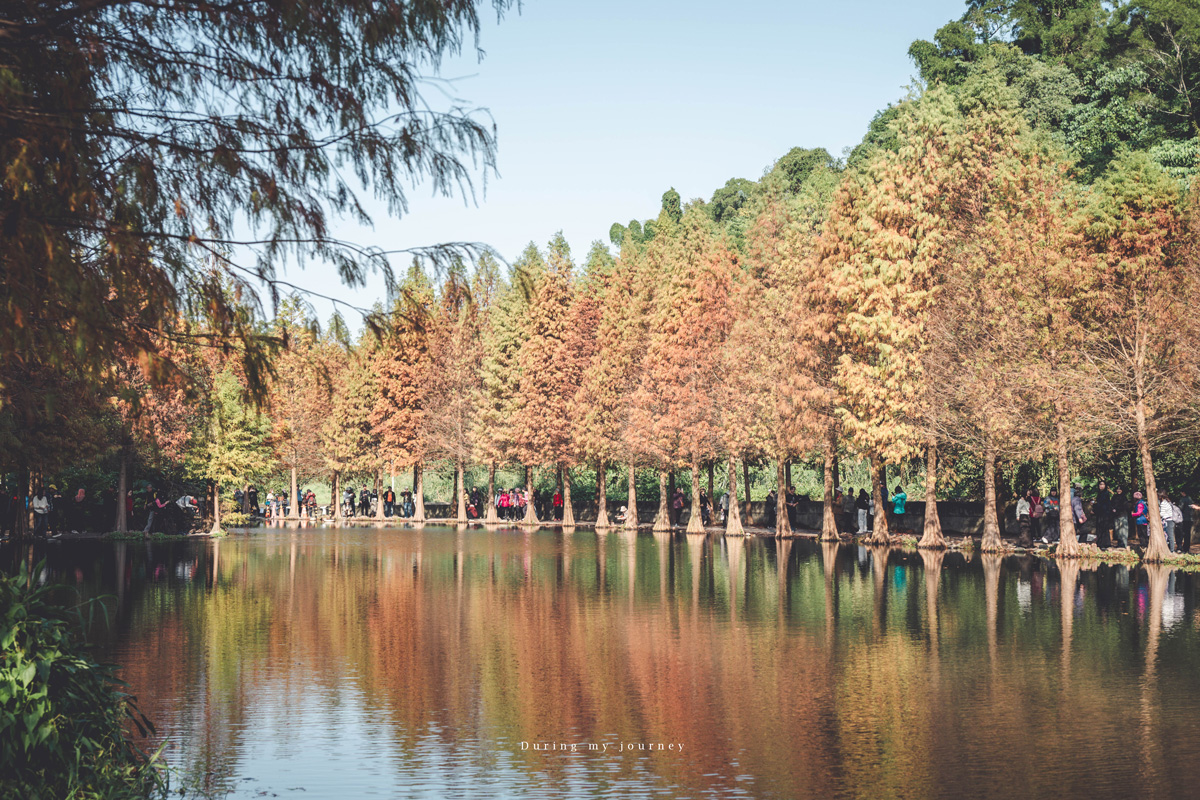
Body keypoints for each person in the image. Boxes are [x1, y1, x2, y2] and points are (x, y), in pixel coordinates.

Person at [1094, 480, 1113, 549]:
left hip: (1104, 514)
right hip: (1099, 514)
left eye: (1103, 484)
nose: (1101, 486)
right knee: (1099, 528)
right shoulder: (1099, 493)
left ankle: (1105, 544)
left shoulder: (1106, 493)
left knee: (1104, 528)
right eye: (1100, 485)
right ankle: (1100, 543)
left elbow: (1105, 504)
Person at [1178, 490, 1195, 554]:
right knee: (1188, 534)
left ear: (1183, 492)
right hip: (1190, 519)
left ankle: (1184, 548)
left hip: (1184, 518)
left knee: (1183, 533)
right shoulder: (1190, 499)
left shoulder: (1183, 499)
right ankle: (1187, 548)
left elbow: (1180, 508)